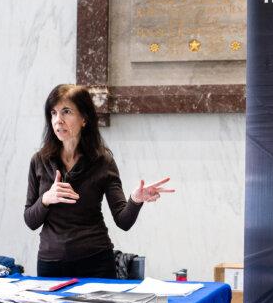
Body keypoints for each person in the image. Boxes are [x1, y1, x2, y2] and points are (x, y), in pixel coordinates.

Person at [24, 84, 173, 278]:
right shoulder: (39, 161)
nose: (58, 120)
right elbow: (30, 220)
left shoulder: (102, 161)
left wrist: (136, 199)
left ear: (84, 119)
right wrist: (46, 199)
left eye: (66, 112)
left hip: (95, 262)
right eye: (53, 113)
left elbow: (123, 220)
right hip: (51, 264)